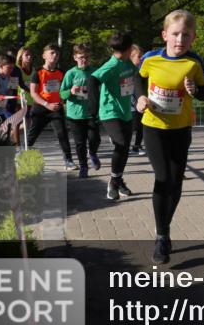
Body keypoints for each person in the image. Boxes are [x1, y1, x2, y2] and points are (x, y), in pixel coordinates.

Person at [135, 11, 204, 265]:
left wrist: (195, 90)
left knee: (176, 181)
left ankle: (164, 229)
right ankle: (161, 236)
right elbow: (138, 78)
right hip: (154, 126)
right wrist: (140, 97)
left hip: (181, 129)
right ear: (165, 35)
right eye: (176, 34)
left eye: (186, 35)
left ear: (193, 38)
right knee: (163, 177)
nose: (180, 39)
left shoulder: (194, 62)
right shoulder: (150, 58)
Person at [90, 32, 139, 201]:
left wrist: (141, 97)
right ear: (129, 48)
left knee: (124, 149)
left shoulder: (128, 63)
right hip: (110, 112)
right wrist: (93, 106)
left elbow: (136, 78)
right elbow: (92, 80)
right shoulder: (111, 66)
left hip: (126, 111)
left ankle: (117, 180)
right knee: (122, 144)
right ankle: (113, 184)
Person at [27, 44, 75, 169]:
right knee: (32, 135)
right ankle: (22, 155)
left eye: (57, 54)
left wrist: (62, 103)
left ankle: (68, 160)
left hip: (56, 108)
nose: (55, 55)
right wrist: (46, 104)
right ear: (44, 56)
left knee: (62, 134)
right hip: (41, 107)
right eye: (52, 52)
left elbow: (64, 91)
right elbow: (33, 93)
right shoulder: (37, 72)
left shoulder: (61, 72)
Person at [60, 44, 101, 178]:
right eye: (81, 57)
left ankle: (93, 153)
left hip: (91, 112)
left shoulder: (95, 71)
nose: (84, 60)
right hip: (75, 115)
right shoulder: (70, 73)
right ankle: (83, 166)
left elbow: (102, 89)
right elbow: (62, 94)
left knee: (95, 139)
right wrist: (70, 91)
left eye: (87, 57)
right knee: (80, 143)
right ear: (75, 58)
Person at [129, 44, 145, 155]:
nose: (141, 59)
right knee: (133, 126)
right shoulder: (126, 69)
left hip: (139, 101)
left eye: (142, 56)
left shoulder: (141, 69)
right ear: (131, 56)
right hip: (129, 103)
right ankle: (116, 138)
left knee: (142, 125)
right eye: (139, 56)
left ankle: (137, 146)